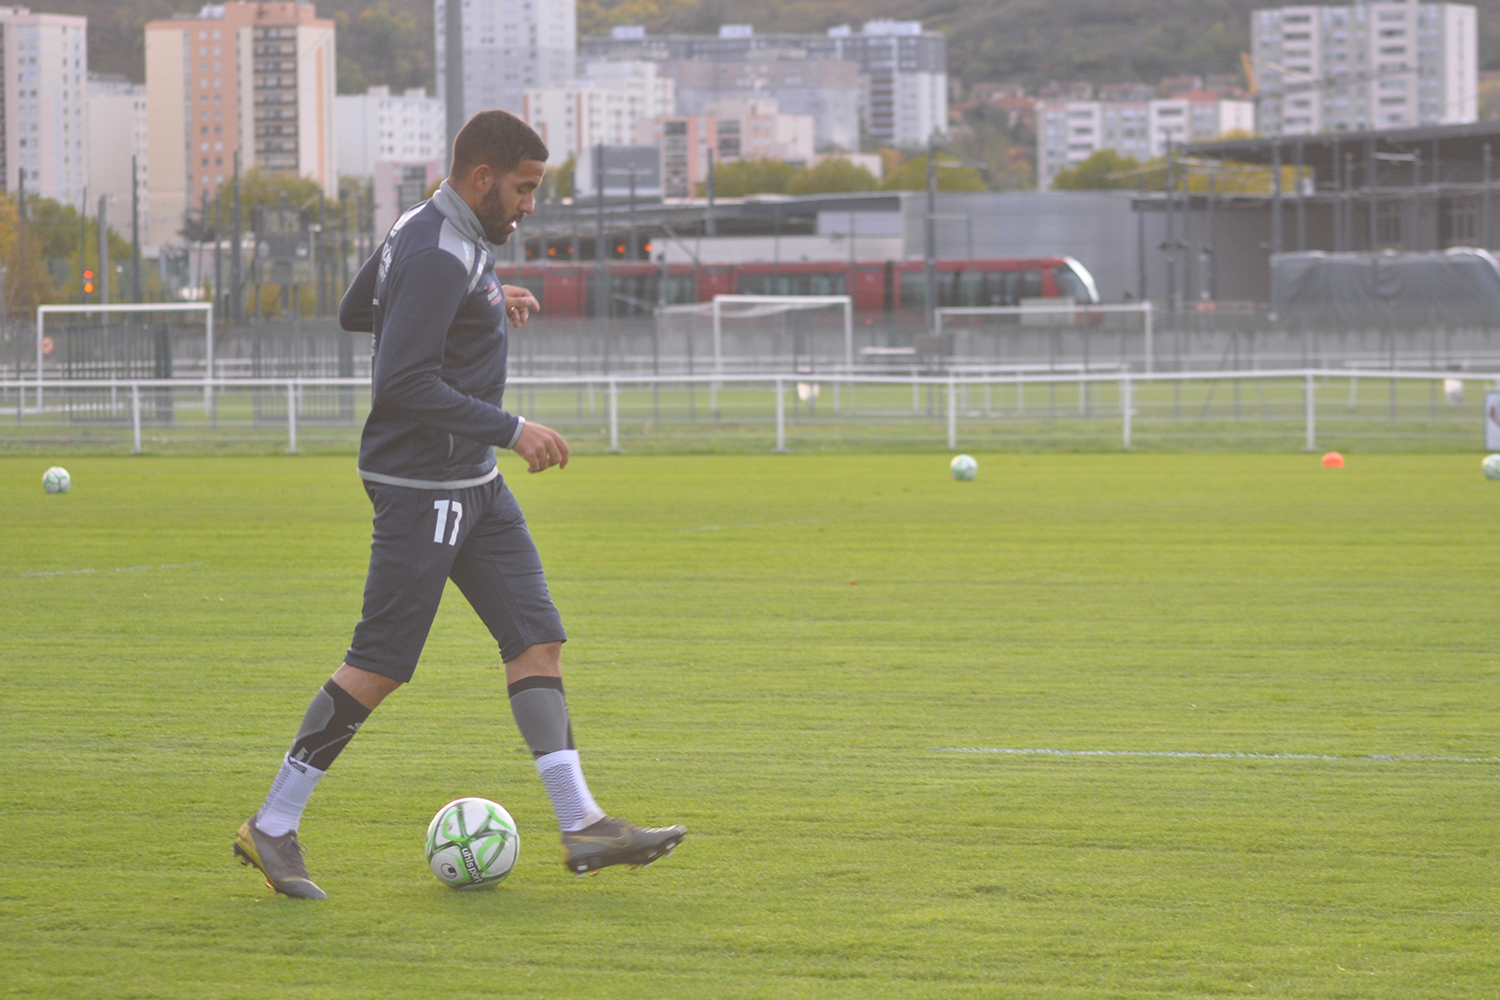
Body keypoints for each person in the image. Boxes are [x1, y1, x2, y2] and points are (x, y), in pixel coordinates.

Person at [233, 110, 685, 899]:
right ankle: (272, 826)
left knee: (535, 639)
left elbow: (355, 308)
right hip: (423, 488)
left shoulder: (428, 225)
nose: (530, 204)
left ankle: (582, 824)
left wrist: (483, 300)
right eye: (525, 188)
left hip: (471, 484)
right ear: (483, 178)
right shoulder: (440, 250)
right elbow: (401, 382)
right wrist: (514, 428)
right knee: (378, 664)